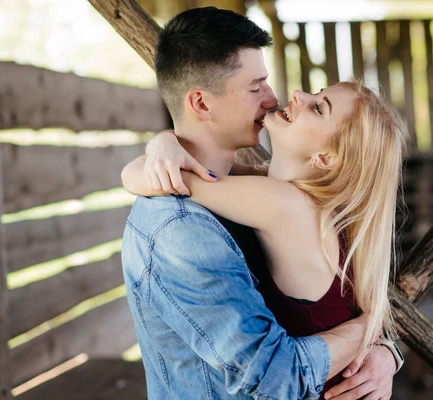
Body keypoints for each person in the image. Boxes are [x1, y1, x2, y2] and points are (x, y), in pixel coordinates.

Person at [121, 6, 400, 400]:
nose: (278, 97)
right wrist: (366, 332)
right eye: (256, 86)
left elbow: (165, 178)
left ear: (326, 158)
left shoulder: (279, 200)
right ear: (201, 104)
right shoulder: (184, 227)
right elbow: (276, 377)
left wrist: (155, 152)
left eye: (318, 106)